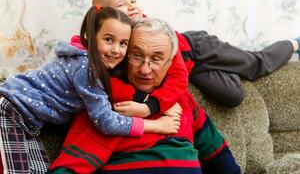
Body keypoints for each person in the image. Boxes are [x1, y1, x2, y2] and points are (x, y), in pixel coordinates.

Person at [0, 7, 181, 173]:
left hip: (28, 122)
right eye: (109, 40)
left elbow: (150, 77)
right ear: (92, 36)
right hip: (10, 109)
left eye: (123, 43)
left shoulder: (101, 67)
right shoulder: (88, 69)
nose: (116, 50)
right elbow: (105, 121)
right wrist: (156, 125)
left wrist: (157, 103)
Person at [48, 18, 241, 174]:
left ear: (170, 63)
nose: (145, 69)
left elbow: (218, 155)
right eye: (137, 56)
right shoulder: (105, 104)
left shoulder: (183, 101)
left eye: (156, 59)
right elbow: (71, 166)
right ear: (124, 57)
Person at [91, 0, 300, 107]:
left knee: (255, 65)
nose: (131, 7)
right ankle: (231, 68)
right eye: (121, 5)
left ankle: (294, 44)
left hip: (197, 47)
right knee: (234, 96)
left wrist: (151, 106)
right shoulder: (116, 46)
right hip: (191, 67)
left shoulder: (149, 29)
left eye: (133, 1)